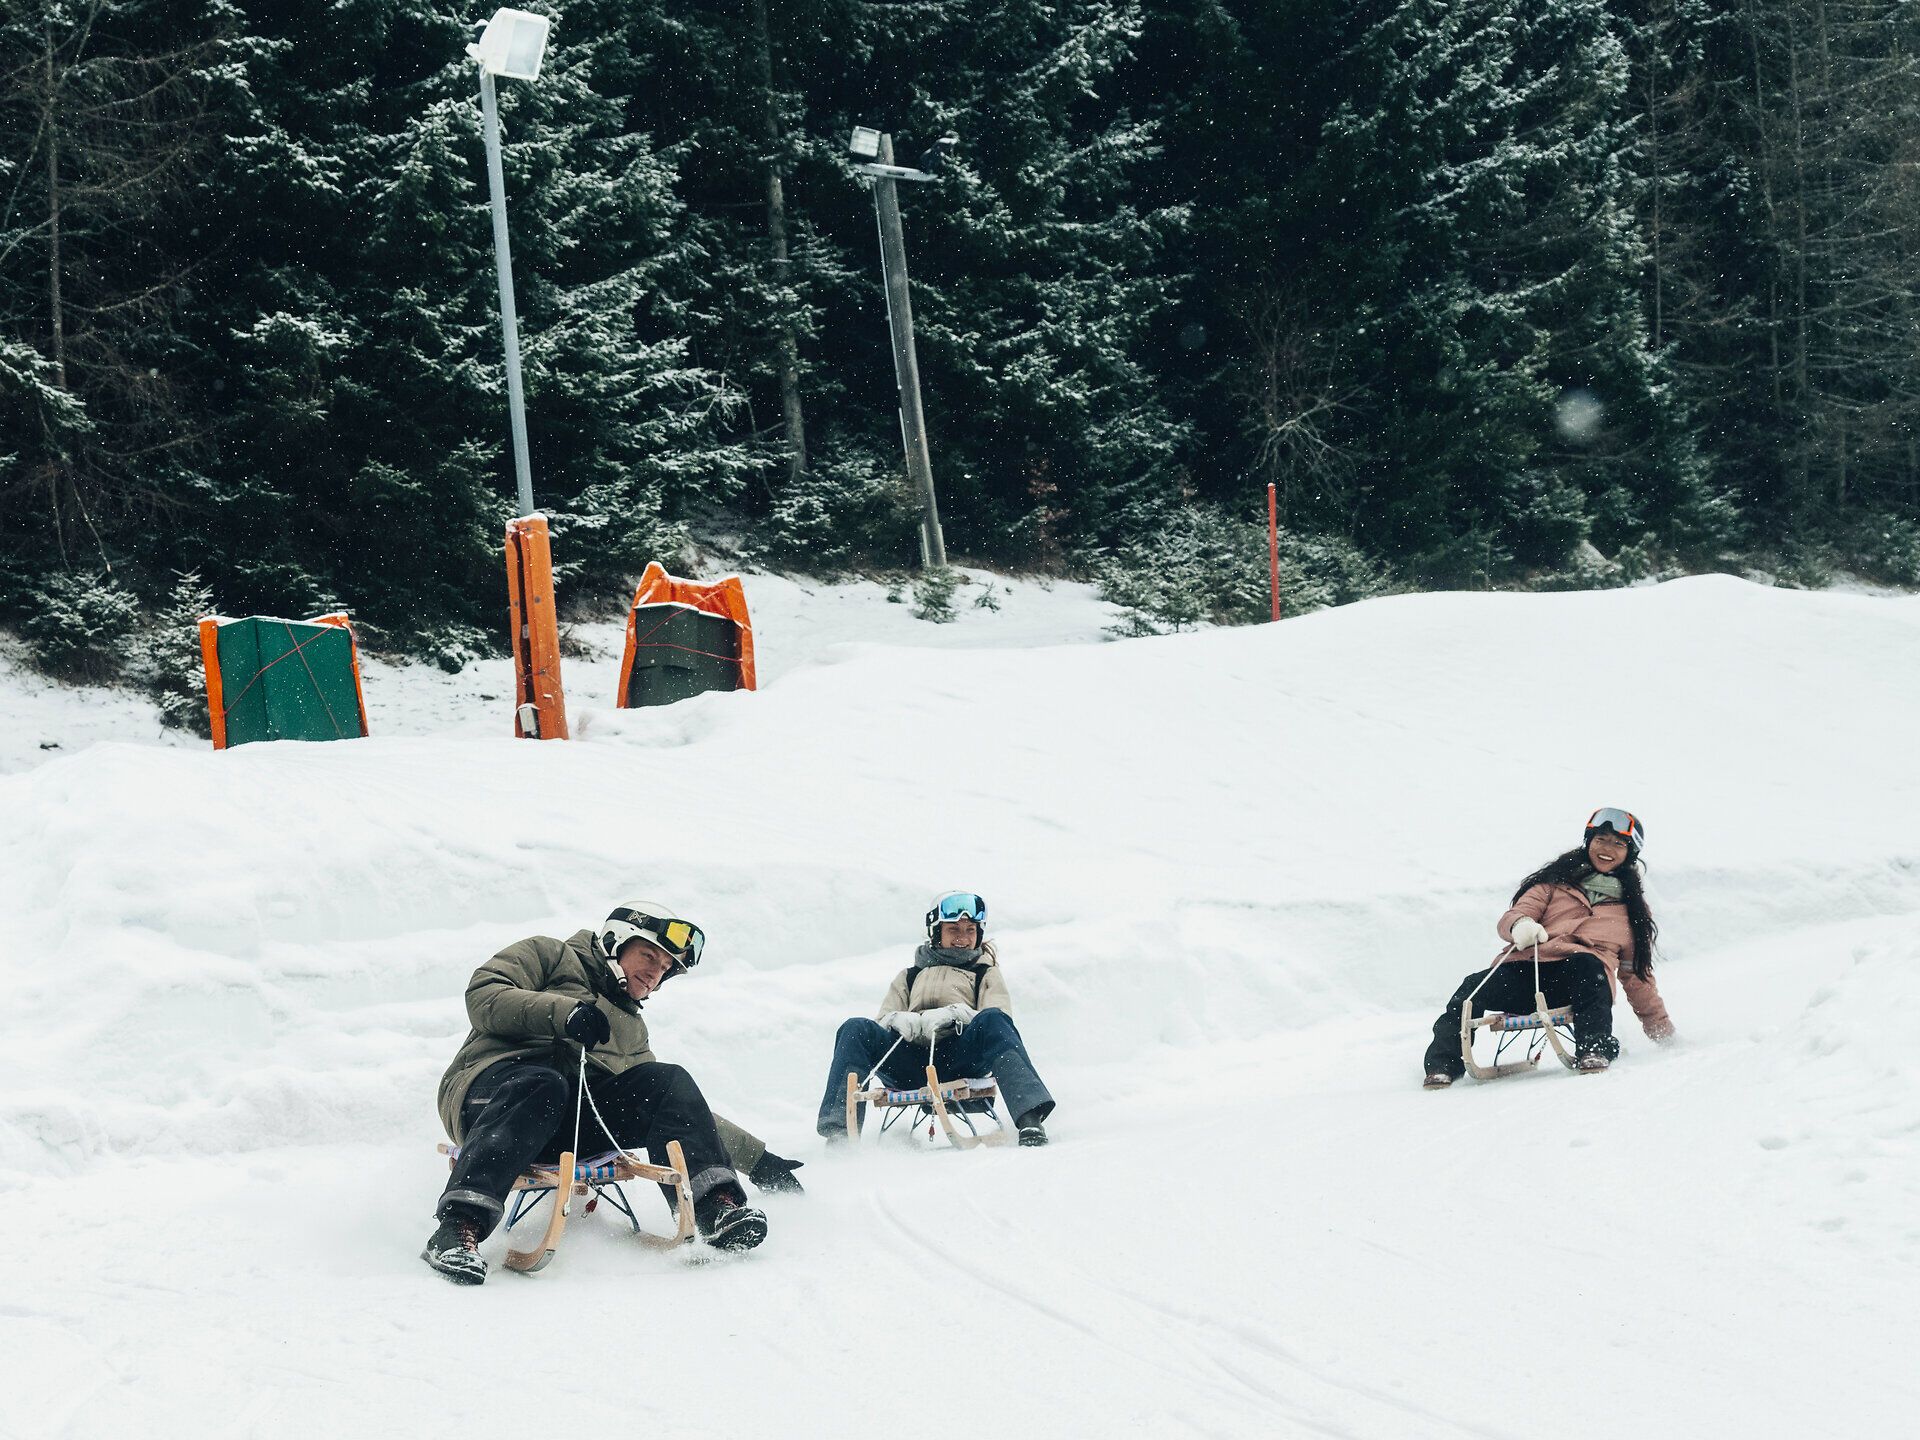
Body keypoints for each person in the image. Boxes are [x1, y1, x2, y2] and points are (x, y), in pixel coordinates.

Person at [423, 902, 801, 1284]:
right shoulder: (550, 955)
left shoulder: (630, 1028)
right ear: (615, 942)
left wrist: (757, 1159)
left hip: (565, 1127)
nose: (654, 973)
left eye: (665, 967)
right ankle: (457, 1228)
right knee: (545, 1084)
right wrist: (565, 1013)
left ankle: (715, 1208)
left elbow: (675, 1110)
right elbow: (484, 994)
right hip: (490, 1099)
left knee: (667, 1081)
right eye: (648, 956)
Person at [1422, 808, 1675, 1088]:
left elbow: (1636, 976)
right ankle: (1442, 1065)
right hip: (1527, 975)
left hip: (1581, 985)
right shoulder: (1553, 884)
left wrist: (1663, 1033)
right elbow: (1513, 915)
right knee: (1472, 987)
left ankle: (1594, 1048)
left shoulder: (1632, 911)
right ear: (1589, 841)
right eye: (1601, 839)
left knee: (1588, 963)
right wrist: (1520, 925)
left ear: (1630, 853)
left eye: (1618, 843)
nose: (1607, 849)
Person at [816, 891, 1055, 1146]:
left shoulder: (984, 973)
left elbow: (1000, 1017)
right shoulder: (909, 976)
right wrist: (898, 1019)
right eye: (954, 929)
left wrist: (959, 1014)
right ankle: (839, 1135)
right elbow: (883, 1020)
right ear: (936, 932)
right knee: (855, 1028)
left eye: (970, 930)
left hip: (959, 1058)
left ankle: (1030, 1119)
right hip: (909, 1062)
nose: (963, 937)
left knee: (994, 1020)